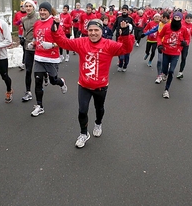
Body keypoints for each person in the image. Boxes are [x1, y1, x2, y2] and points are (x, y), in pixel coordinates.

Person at [51, 18, 133, 148]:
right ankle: (84, 133)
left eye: (96, 30)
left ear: (102, 31)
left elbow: (126, 49)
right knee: (82, 111)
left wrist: (125, 34)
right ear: (86, 31)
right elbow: (64, 42)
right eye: (90, 30)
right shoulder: (81, 42)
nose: (93, 33)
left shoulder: (109, 45)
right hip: (84, 85)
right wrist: (55, 31)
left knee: (99, 108)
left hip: (101, 86)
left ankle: (98, 123)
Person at [29, 1, 67, 117]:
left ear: (49, 11)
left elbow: (63, 41)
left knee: (53, 80)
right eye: (40, 10)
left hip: (51, 58)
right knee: (38, 80)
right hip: (39, 57)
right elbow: (37, 38)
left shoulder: (54, 23)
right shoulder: (37, 24)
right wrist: (33, 43)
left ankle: (61, 82)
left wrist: (51, 45)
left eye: (44, 10)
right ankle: (39, 106)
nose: (42, 12)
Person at [157, 11, 190, 98]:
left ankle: (166, 90)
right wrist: (160, 45)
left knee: (171, 71)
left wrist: (185, 43)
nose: (177, 20)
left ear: (181, 19)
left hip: (176, 52)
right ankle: (164, 73)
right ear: (173, 18)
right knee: (164, 69)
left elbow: (187, 39)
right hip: (166, 51)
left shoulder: (183, 29)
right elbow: (159, 36)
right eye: (175, 18)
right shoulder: (167, 26)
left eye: (178, 18)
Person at [21, 0, 38, 102]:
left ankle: (45, 76)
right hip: (28, 48)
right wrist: (22, 38)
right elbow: (25, 30)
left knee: (38, 72)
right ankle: (28, 92)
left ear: (33, 7)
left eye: (29, 6)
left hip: (38, 48)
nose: (27, 8)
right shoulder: (23, 19)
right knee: (28, 71)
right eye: (26, 6)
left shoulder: (38, 17)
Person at [113, 5, 134, 72]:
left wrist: (130, 32)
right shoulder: (118, 17)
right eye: (123, 10)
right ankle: (120, 62)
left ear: (127, 11)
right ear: (121, 10)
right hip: (119, 36)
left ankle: (125, 64)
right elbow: (115, 25)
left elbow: (133, 27)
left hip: (127, 38)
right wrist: (112, 32)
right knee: (119, 51)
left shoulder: (130, 18)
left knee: (126, 53)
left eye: (125, 10)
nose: (124, 11)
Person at [176, 13, 192, 79]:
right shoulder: (181, 24)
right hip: (179, 43)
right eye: (187, 18)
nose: (189, 19)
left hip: (186, 44)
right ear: (185, 18)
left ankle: (180, 72)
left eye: (190, 18)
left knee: (184, 58)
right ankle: (170, 66)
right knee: (175, 56)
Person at [13, 2, 27, 70]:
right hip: (20, 34)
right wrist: (18, 22)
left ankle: (24, 63)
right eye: (21, 6)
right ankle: (26, 61)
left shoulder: (28, 13)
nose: (23, 8)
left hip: (28, 34)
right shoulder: (17, 14)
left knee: (25, 48)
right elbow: (14, 22)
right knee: (24, 48)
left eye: (24, 6)